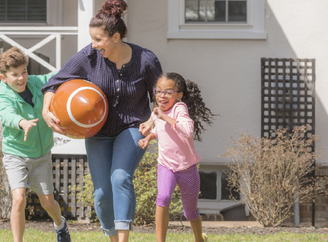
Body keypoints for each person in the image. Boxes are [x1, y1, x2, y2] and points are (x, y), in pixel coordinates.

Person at [41, 0, 163, 241]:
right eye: (92, 39)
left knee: (120, 177)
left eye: (98, 39)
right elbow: (54, 83)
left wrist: (152, 120)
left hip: (133, 127)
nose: (94, 45)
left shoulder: (145, 59)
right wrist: (46, 110)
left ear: (115, 37)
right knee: (102, 194)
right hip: (98, 132)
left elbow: (160, 97)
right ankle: (112, 237)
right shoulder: (89, 56)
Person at [0, 46, 71, 242]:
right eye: (15, 75)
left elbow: (57, 76)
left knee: (48, 202)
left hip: (41, 154)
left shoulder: (36, 83)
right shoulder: (2, 95)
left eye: (24, 72)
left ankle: (60, 225)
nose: (21, 78)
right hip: (16, 154)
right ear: (3, 78)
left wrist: (79, 69)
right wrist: (22, 122)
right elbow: (7, 114)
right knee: (19, 198)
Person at [138, 72, 216, 242]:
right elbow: (158, 130)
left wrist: (163, 116)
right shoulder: (157, 112)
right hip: (166, 165)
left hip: (187, 168)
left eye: (168, 92)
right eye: (158, 91)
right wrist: (147, 137)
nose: (161, 96)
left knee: (190, 212)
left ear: (179, 95)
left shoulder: (179, 109)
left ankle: (199, 238)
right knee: (163, 197)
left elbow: (187, 130)